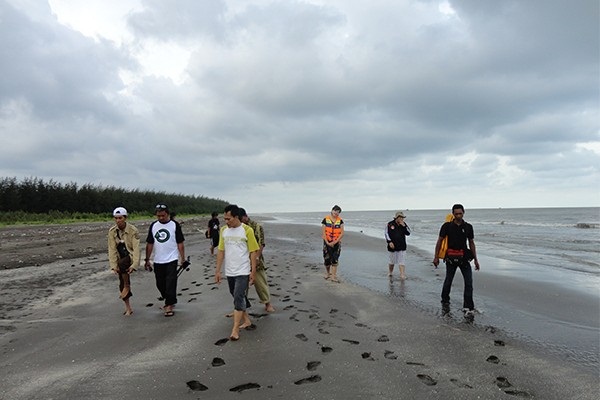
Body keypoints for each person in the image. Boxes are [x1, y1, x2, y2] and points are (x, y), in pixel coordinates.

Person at [215, 204, 260, 341]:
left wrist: (253, 271)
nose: (226, 222)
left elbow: (253, 252)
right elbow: (221, 251)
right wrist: (217, 271)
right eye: (225, 219)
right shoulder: (223, 230)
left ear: (236, 217)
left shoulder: (247, 230)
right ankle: (246, 320)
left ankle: (235, 329)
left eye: (228, 219)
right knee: (234, 294)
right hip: (230, 270)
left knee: (238, 296)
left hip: (243, 270)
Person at [433, 204, 480, 318]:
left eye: (460, 213)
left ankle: (468, 306)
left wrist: (476, 260)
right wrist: (436, 257)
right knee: (448, 280)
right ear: (453, 214)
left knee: (469, 282)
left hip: (464, 258)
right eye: (456, 213)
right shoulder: (446, 226)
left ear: (464, 212)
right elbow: (439, 241)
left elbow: (471, 243)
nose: (458, 215)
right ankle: (445, 300)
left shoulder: (468, 227)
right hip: (450, 258)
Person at [144, 204, 186, 317]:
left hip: (172, 258)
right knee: (160, 284)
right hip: (158, 260)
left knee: (171, 282)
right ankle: (169, 298)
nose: (161, 218)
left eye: (163, 215)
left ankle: (169, 305)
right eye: (158, 216)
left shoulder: (174, 225)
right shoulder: (153, 226)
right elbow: (150, 243)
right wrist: (147, 259)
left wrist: (183, 258)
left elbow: (180, 243)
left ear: (167, 214)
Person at [239, 208, 275, 313]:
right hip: (242, 259)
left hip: (255, 258)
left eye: (241, 219)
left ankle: (267, 303)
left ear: (245, 216)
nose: (241, 222)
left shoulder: (256, 226)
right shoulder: (238, 228)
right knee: (241, 286)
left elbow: (261, 243)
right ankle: (240, 308)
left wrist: (257, 257)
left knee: (260, 282)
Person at [108, 207, 140, 316]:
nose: (118, 220)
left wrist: (135, 264)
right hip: (120, 257)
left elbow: (136, 249)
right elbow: (111, 249)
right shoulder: (112, 231)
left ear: (125, 218)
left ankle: (127, 285)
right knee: (120, 284)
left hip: (129, 256)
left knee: (123, 264)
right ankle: (128, 308)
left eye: (120, 218)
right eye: (116, 218)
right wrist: (113, 266)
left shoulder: (133, 230)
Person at [385, 211, 411, 280]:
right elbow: (386, 233)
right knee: (392, 261)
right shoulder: (390, 224)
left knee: (401, 261)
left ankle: (402, 274)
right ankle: (390, 272)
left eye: (402, 218)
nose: (401, 219)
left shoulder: (404, 224)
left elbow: (408, 233)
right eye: (400, 217)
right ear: (396, 217)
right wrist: (389, 242)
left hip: (402, 246)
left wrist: (404, 226)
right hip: (392, 246)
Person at [322, 205, 344, 282]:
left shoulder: (340, 221)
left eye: (338, 212)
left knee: (335, 259)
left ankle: (333, 276)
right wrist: (327, 242)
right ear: (332, 210)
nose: (336, 213)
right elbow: (323, 232)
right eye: (335, 211)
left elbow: (342, 233)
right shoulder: (326, 219)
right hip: (327, 242)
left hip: (336, 243)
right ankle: (328, 273)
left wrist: (335, 241)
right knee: (327, 259)